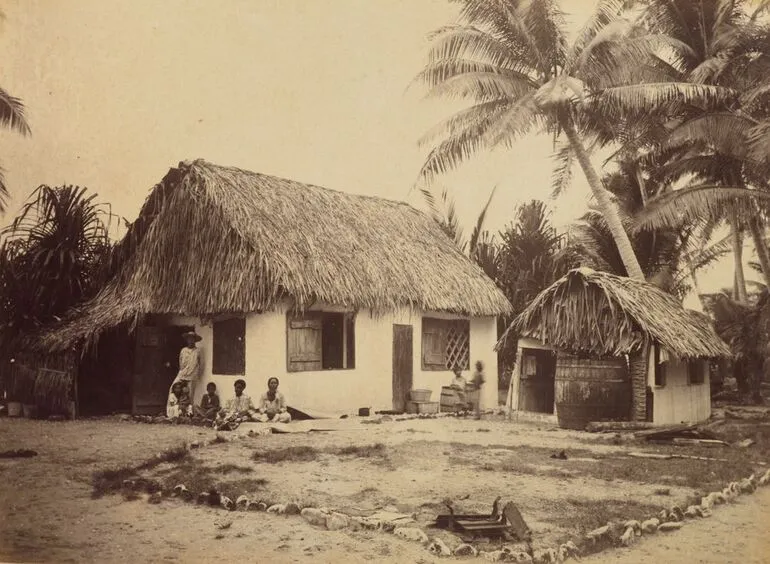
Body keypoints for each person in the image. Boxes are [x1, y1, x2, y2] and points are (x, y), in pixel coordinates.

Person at [169, 331, 203, 406]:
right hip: (182, 374)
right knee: (173, 389)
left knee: (190, 394)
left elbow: (200, 363)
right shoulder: (183, 350)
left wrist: (197, 374)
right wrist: (182, 371)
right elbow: (180, 362)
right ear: (187, 340)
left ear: (195, 340)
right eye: (189, 339)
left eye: (192, 339)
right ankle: (172, 410)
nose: (190, 340)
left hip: (192, 375)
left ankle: (188, 413)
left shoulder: (198, 351)